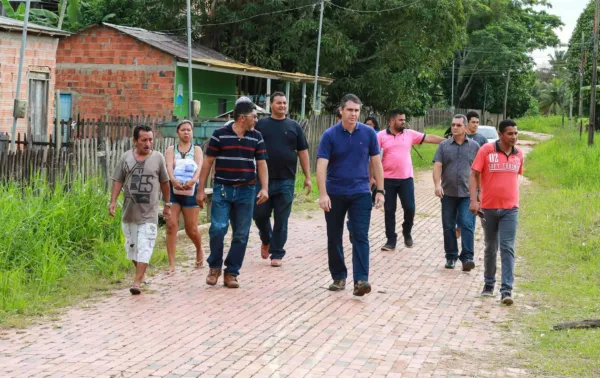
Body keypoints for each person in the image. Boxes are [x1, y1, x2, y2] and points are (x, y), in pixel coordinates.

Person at [316, 94, 385, 297]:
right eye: (350, 110)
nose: (354, 114)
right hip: (335, 192)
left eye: (356, 110)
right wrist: (323, 194)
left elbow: (377, 163)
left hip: (360, 192)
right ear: (341, 110)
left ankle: (361, 280)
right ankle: (339, 276)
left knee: (360, 235)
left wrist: (380, 190)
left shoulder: (369, 133)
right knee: (334, 236)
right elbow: (321, 166)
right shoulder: (330, 135)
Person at [196, 101, 269, 289]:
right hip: (223, 189)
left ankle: (231, 272)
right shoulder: (220, 135)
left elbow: (261, 163)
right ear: (242, 118)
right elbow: (208, 162)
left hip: (247, 190)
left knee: (241, 233)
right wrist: (201, 189)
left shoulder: (257, 137)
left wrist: (265, 188)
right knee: (218, 228)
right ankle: (214, 267)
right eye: (254, 115)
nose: (257, 119)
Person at [109, 125, 171, 295]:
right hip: (129, 213)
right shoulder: (126, 158)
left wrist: (167, 204)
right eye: (144, 140)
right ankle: (141, 273)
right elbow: (117, 180)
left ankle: (137, 282)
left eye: (150, 139)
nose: (148, 143)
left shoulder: (158, 158)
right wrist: (113, 201)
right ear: (134, 141)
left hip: (149, 213)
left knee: (145, 245)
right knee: (132, 248)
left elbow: (165, 183)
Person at [254, 92, 311, 267]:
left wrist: (308, 177)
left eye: (285, 103)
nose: (282, 106)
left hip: (287, 179)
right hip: (263, 181)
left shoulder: (294, 126)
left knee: (281, 218)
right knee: (259, 215)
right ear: (271, 105)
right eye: (279, 103)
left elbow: (303, 152)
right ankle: (266, 239)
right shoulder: (261, 125)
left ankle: (277, 252)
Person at [469, 119, 523, 306]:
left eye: (516, 133)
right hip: (489, 208)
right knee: (491, 247)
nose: (514, 137)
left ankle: (506, 290)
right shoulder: (486, 151)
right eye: (510, 133)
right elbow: (474, 175)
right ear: (500, 135)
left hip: (510, 209)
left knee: (507, 247)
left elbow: (516, 178)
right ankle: (488, 284)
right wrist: (474, 200)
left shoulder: (519, 155)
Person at [378, 109, 445, 251]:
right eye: (401, 120)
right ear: (392, 121)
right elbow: (374, 159)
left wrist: (446, 141)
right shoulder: (381, 136)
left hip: (406, 179)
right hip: (387, 180)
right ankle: (391, 240)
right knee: (389, 210)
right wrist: (373, 178)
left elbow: (428, 138)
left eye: (404, 119)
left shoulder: (409, 134)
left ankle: (407, 230)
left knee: (410, 208)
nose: (404, 122)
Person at [433, 115, 480, 271]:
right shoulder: (443, 146)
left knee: (467, 224)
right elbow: (437, 166)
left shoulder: (475, 147)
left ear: (465, 127)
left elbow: (480, 171)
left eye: (458, 125)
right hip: (448, 193)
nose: (454, 127)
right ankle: (451, 257)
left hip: (468, 194)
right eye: (453, 125)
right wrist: (437, 185)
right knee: (448, 226)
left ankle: (467, 258)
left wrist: (480, 193)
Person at [164, 120, 204, 274]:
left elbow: (199, 168)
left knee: (191, 229)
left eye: (189, 130)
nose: (186, 132)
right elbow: (168, 168)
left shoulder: (197, 149)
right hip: (173, 191)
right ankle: (172, 264)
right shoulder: (171, 149)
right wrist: (173, 181)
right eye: (183, 130)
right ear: (177, 132)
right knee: (171, 225)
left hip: (190, 191)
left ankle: (199, 249)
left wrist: (192, 181)